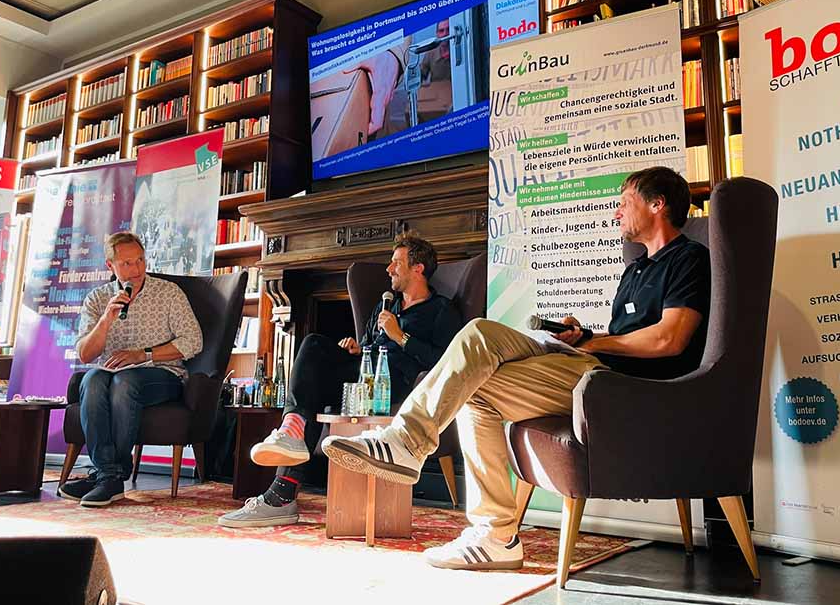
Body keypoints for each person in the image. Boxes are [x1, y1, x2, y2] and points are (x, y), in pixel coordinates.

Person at [321, 166, 711, 570]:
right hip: (591, 365)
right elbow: (626, 335)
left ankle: (488, 526)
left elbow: (669, 339)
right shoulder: (636, 269)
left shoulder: (688, 258)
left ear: (657, 204)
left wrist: (595, 342)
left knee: (474, 385)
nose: (616, 213)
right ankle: (422, 458)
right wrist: (582, 336)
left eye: (624, 202)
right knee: (477, 337)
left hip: (626, 385)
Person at [218, 231, 463, 528]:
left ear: (418, 268)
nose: (389, 269)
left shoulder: (441, 310)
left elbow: (444, 363)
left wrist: (401, 336)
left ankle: (281, 493)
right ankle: (291, 434)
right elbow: (370, 344)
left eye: (396, 262)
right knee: (313, 345)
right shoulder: (386, 306)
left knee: (313, 387)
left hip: (396, 386)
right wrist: (359, 348)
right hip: (361, 376)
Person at [58, 232, 203, 507]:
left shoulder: (168, 292)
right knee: (91, 380)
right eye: (126, 264)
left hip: (163, 374)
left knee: (125, 382)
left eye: (140, 261)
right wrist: (105, 320)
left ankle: (107, 475)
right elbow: (86, 354)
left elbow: (193, 341)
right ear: (110, 266)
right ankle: (108, 476)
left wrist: (142, 354)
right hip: (110, 376)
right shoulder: (97, 298)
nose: (136, 270)